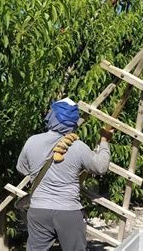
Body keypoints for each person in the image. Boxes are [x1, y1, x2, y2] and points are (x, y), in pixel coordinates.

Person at [16, 97, 113, 251]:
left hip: (38, 211)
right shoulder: (78, 147)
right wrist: (104, 142)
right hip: (68, 212)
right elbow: (101, 167)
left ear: (52, 117)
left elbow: (22, 168)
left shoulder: (32, 141)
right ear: (73, 122)